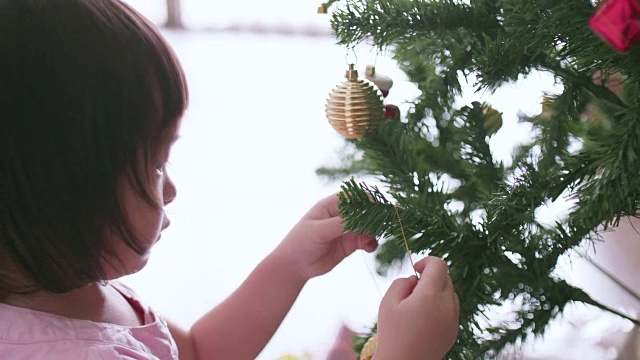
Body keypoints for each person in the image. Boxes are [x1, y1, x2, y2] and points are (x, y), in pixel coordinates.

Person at [0, 1, 460, 359]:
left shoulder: (72, 282)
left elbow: (198, 352)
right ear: (57, 197)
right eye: (155, 165)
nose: (170, 189)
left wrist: (289, 264)